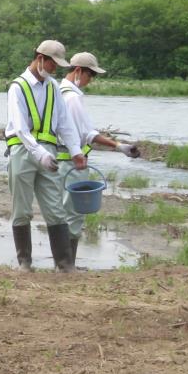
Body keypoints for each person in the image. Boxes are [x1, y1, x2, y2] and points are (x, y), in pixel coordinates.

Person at [4, 40, 86, 271]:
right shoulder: (17, 87)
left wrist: (76, 151)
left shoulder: (53, 88)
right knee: (21, 208)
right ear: (40, 58)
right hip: (22, 150)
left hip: (49, 153)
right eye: (52, 63)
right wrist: (38, 153)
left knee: (55, 208)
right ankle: (24, 263)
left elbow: (65, 123)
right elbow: (19, 127)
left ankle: (64, 264)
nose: (54, 69)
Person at [55, 51, 141, 266]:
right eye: (90, 75)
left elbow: (85, 132)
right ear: (77, 71)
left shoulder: (58, 91)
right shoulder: (72, 97)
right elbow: (85, 134)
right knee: (74, 212)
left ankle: (64, 264)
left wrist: (118, 145)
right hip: (72, 163)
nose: (91, 80)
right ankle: (66, 266)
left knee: (64, 211)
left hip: (62, 162)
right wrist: (118, 146)